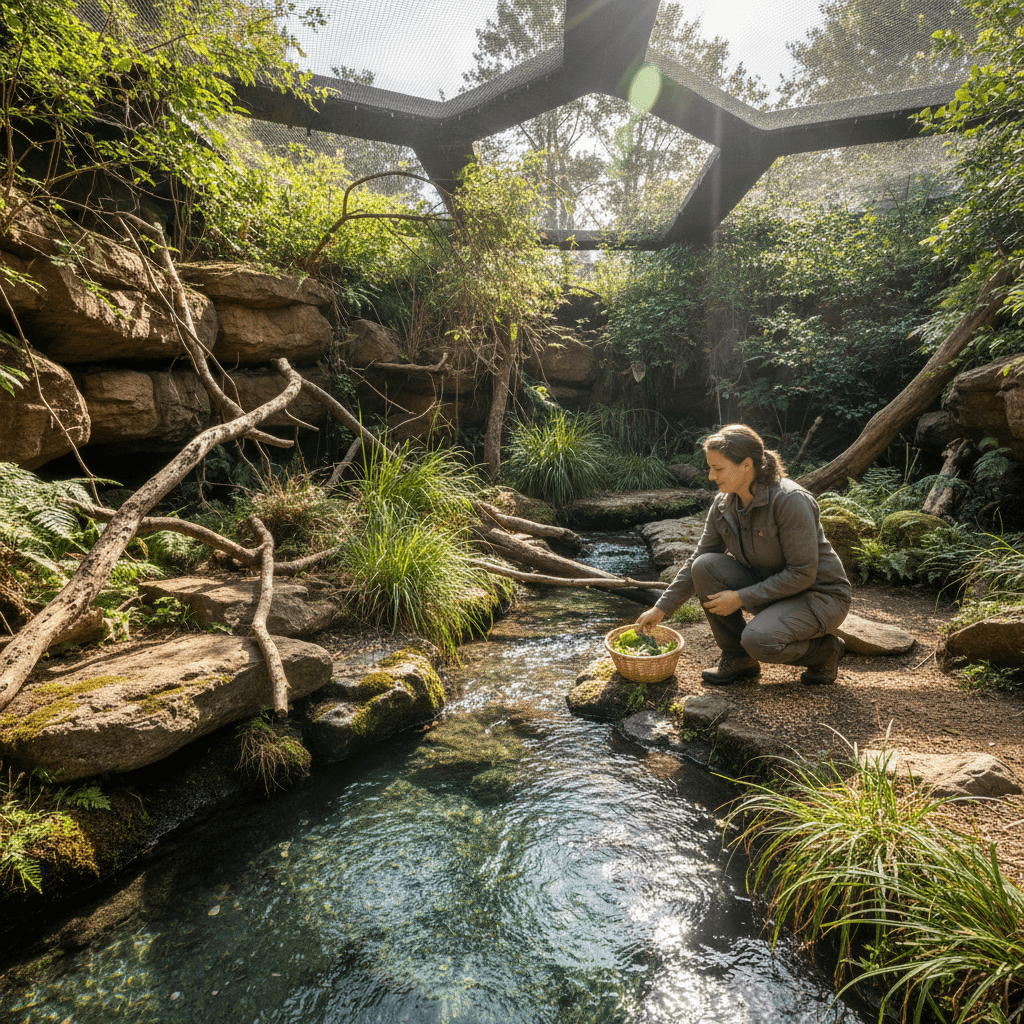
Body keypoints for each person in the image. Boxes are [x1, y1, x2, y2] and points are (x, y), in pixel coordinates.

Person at [636, 424, 851, 685]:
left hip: (820, 597)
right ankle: (738, 658)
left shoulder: (790, 500)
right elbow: (697, 559)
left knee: (757, 639)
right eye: (710, 468)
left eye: (718, 468)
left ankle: (826, 652)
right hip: (773, 590)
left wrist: (740, 597)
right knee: (704, 566)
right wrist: (661, 608)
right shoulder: (723, 504)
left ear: (746, 465)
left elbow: (803, 573)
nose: (710, 476)